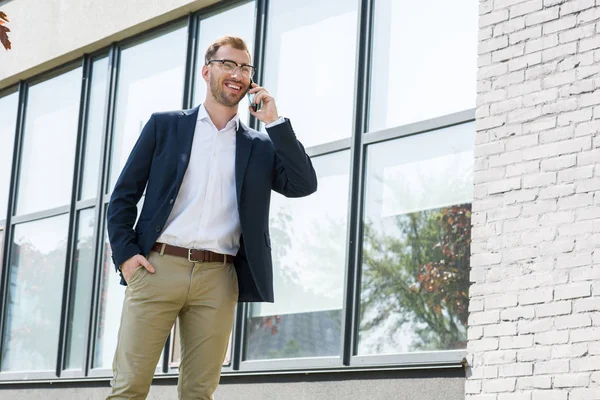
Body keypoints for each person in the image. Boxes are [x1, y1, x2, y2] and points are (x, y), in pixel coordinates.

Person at [105, 35, 317, 400]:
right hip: (157, 268)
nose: (237, 74)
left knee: (199, 393)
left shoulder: (259, 145)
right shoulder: (165, 126)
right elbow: (123, 196)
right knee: (129, 388)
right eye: (228, 64)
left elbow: (303, 184)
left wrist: (275, 122)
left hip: (218, 278)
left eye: (245, 68)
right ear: (207, 71)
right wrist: (126, 256)